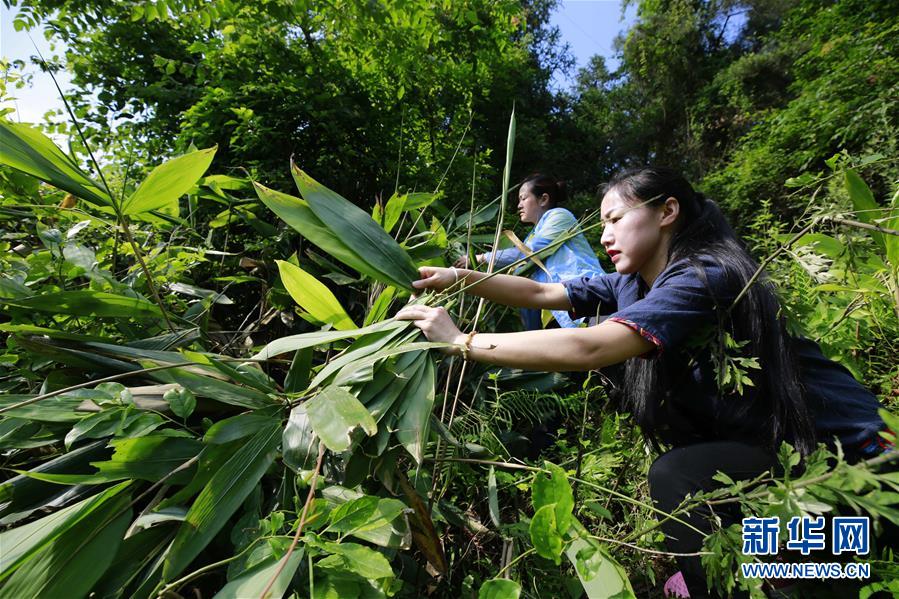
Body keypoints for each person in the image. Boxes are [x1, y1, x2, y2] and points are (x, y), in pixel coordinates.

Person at [397, 167, 889, 598]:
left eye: (614, 219)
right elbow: (541, 289)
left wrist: (462, 340)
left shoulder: (706, 275)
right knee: (740, 528)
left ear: (667, 211)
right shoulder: (630, 284)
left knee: (683, 479)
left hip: (860, 461)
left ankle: (789, 572)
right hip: (789, 458)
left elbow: (592, 348)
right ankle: (774, 571)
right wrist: (454, 278)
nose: (604, 234)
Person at [455, 173, 604, 329]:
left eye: (523, 198)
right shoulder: (533, 235)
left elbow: (527, 254)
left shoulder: (559, 216)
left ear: (543, 199)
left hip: (587, 297)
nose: (519, 205)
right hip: (560, 312)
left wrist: (480, 258)